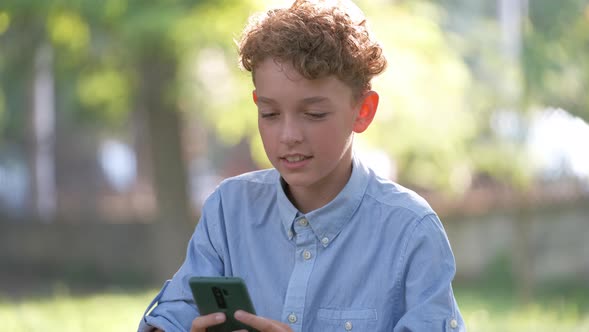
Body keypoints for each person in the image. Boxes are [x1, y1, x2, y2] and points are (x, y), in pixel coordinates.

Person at [138, 0, 465, 331]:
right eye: (270, 114)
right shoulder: (228, 210)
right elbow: (173, 314)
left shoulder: (410, 231)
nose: (288, 135)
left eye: (314, 114)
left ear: (363, 111)